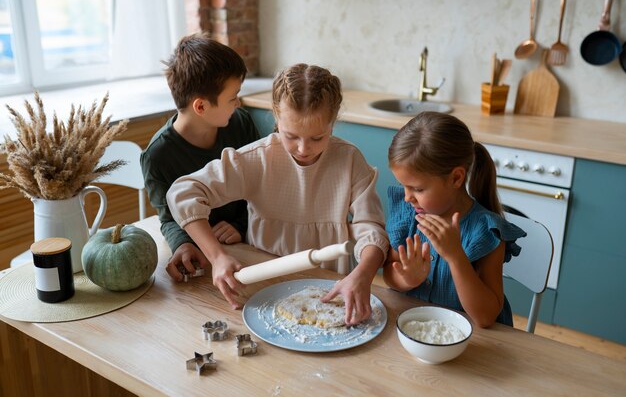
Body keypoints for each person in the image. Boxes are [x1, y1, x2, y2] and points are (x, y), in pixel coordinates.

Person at [166, 63, 389, 325]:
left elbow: (370, 228)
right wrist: (216, 256)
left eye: (317, 137)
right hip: (263, 287)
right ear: (275, 116)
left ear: (333, 121)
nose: (304, 148)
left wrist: (362, 275)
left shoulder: (349, 160)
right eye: (291, 135)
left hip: (327, 289)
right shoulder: (258, 158)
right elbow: (183, 192)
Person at [383, 112, 525, 328]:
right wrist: (407, 280)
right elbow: (389, 272)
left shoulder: (486, 231)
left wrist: (456, 256)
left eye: (418, 189)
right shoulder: (408, 216)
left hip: (473, 344)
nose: (407, 196)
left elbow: (485, 317)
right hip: (416, 330)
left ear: (456, 178)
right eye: (404, 186)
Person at [141, 33, 260, 282]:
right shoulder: (157, 156)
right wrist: (182, 245)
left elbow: (260, 189)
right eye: (232, 97)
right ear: (201, 107)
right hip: (206, 256)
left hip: (249, 246)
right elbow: (168, 217)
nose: (238, 103)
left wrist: (240, 225)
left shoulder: (241, 124)